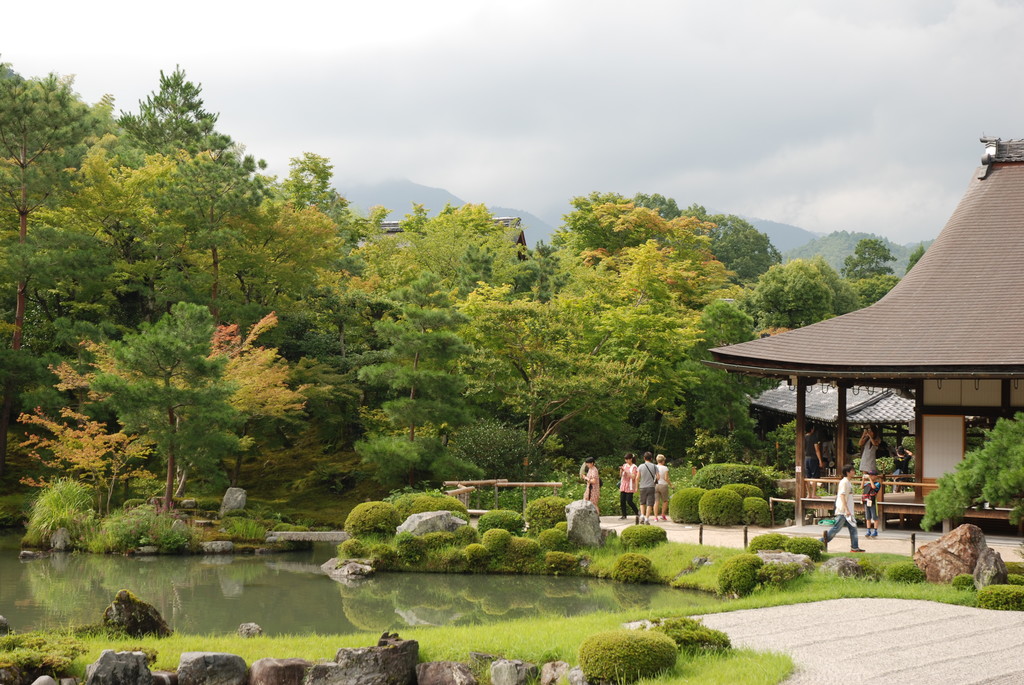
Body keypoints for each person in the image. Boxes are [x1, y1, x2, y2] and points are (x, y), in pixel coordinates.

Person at [819, 465, 865, 552]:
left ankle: (855, 547)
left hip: (848, 511)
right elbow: (842, 495)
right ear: (848, 472)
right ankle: (820, 542)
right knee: (836, 529)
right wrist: (846, 509)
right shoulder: (844, 482)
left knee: (853, 528)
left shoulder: (848, 482)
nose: (854, 472)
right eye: (852, 470)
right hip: (843, 511)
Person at [636, 451, 658, 524]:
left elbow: (637, 478)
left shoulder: (641, 466)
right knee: (650, 504)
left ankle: (642, 515)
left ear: (644, 458)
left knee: (642, 502)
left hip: (642, 487)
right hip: (651, 487)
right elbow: (658, 477)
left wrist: (636, 487)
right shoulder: (655, 466)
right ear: (651, 458)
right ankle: (647, 519)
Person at [803, 425, 824, 499]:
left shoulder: (803, 437)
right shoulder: (814, 437)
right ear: (812, 429)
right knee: (814, 476)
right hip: (813, 458)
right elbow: (817, 450)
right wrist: (820, 460)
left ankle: (809, 494)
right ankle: (814, 494)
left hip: (806, 458)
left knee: (807, 476)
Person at [618, 453, 639, 521]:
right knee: (622, 500)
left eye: (627, 459)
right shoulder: (624, 465)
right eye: (625, 459)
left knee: (629, 501)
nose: (626, 460)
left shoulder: (634, 467)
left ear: (631, 459)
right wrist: (621, 470)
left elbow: (633, 477)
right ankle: (624, 515)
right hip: (623, 484)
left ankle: (637, 512)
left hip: (629, 485)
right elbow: (621, 476)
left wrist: (626, 470)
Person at [861, 470, 882, 536]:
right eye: (870, 475)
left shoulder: (877, 483)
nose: (870, 476)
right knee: (868, 517)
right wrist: (863, 480)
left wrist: (870, 479)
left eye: (872, 475)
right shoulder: (867, 483)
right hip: (866, 501)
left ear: (875, 476)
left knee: (875, 517)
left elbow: (873, 487)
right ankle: (868, 530)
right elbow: (861, 487)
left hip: (873, 502)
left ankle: (875, 531)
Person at [654, 454, 672, 521]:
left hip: (656, 485)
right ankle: (663, 515)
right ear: (663, 461)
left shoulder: (654, 467)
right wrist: (671, 485)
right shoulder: (665, 468)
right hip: (663, 485)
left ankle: (655, 517)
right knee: (665, 501)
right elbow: (666, 478)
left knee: (656, 501)